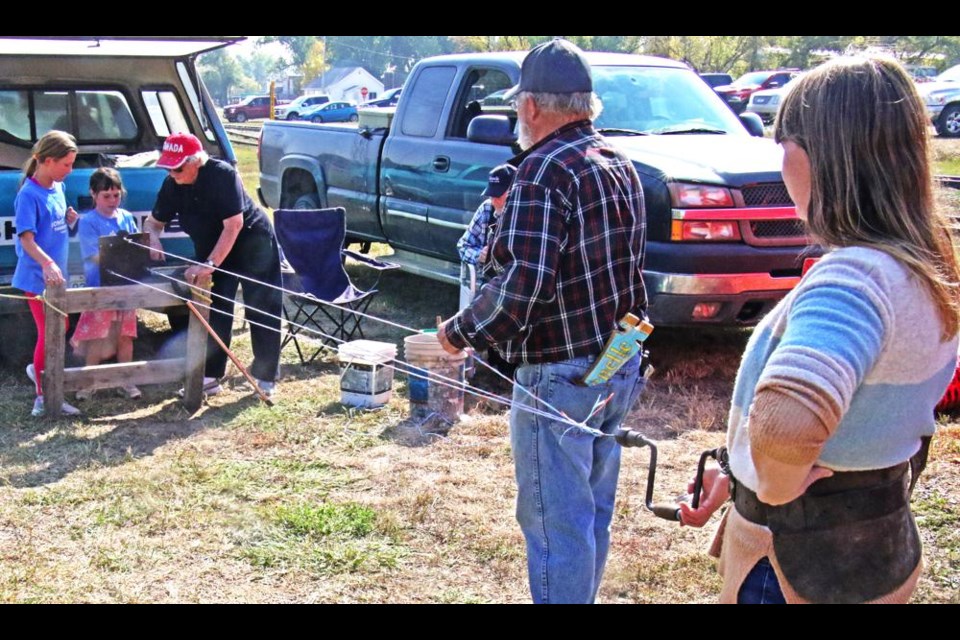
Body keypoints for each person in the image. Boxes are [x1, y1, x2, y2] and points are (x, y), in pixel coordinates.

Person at [679, 56, 960, 604]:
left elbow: (787, 423)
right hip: (874, 549)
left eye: (784, 142)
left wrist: (775, 485)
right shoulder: (924, 268)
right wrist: (738, 473)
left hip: (797, 564)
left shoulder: (853, 276)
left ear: (821, 156)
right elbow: (865, 415)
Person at [437, 38, 648, 604]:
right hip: (621, 357)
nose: (515, 119)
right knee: (590, 513)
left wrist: (456, 335)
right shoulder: (619, 163)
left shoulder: (539, 172)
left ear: (531, 106)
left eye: (516, 108)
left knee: (556, 523)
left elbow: (520, 291)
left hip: (562, 372)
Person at [145, 132, 282, 399]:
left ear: (196, 161)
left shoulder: (222, 175)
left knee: (261, 306)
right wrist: (153, 239)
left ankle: (266, 377)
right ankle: (210, 376)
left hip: (252, 243)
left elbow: (234, 225)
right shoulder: (172, 185)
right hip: (212, 247)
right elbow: (153, 222)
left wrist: (209, 264)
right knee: (215, 308)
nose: (173, 173)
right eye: (169, 167)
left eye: (178, 167)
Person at [13, 130, 81, 417]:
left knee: (60, 329)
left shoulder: (57, 187)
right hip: (37, 277)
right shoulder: (29, 194)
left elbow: (57, 224)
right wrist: (47, 263)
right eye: (66, 164)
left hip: (56, 278)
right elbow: (27, 239)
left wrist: (71, 220)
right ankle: (44, 396)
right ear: (48, 160)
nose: (70, 169)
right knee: (50, 332)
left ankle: (37, 369)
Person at [70, 168, 142, 401]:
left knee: (125, 335)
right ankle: (89, 383)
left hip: (125, 287)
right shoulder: (88, 222)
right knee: (98, 336)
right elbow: (91, 255)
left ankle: (126, 381)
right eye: (106, 196)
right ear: (94, 194)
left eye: (116, 195)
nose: (112, 201)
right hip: (100, 288)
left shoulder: (127, 218)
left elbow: (136, 247)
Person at [456, 163, 517, 311]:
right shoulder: (486, 209)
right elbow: (463, 245)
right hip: (490, 285)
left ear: (514, 192)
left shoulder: (524, 213)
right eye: (491, 194)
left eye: (499, 195)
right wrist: (479, 255)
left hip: (517, 287)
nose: (494, 200)